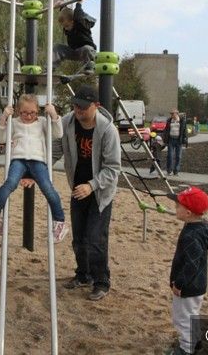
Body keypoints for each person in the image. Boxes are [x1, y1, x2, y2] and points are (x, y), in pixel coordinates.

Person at [52, 85, 121, 301]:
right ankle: (83, 275)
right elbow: (56, 150)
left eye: (83, 107)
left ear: (96, 106)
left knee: (95, 239)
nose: (78, 110)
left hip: (100, 193)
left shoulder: (108, 130)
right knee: (79, 238)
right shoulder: (67, 123)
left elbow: (113, 168)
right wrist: (37, 169)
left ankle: (101, 281)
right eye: (75, 106)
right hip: (77, 189)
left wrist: (91, 185)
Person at [0, 95, 69, 243]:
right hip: (19, 160)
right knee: (10, 183)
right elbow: (1, 138)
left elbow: (58, 134)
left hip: (38, 161)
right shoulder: (14, 123)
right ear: (18, 111)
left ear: (38, 111)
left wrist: (54, 115)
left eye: (32, 113)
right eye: (25, 113)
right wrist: (4, 118)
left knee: (48, 188)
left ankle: (60, 221)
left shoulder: (42, 122)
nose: (29, 116)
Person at [166, 187, 208, 355]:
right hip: (197, 283)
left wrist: (179, 283)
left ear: (188, 213)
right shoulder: (200, 226)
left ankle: (186, 349)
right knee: (191, 314)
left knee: (183, 318)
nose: (175, 208)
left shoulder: (191, 236)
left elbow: (191, 265)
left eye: (178, 206)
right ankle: (195, 343)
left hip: (189, 286)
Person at [53, 2, 96, 74]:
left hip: (86, 52)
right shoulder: (67, 26)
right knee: (57, 47)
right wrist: (62, 6)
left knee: (86, 48)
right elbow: (66, 13)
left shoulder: (81, 25)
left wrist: (78, 4)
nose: (65, 29)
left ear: (73, 22)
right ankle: (50, 68)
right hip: (73, 51)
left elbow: (78, 16)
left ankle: (89, 67)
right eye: (64, 27)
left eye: (66, 26)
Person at [163, 109, 188, 176]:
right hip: (171, 140)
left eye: (172, 113)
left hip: (179, 140)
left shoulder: (182, 121)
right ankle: (169, 170)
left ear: (177, 114)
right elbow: (166, 130)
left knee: (178, 156)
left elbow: (185, 131)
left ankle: (176, 171)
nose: (171, 115)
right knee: (170, 156)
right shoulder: (169, 121)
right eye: (171, 114)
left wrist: (185, 139)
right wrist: (165, 139)